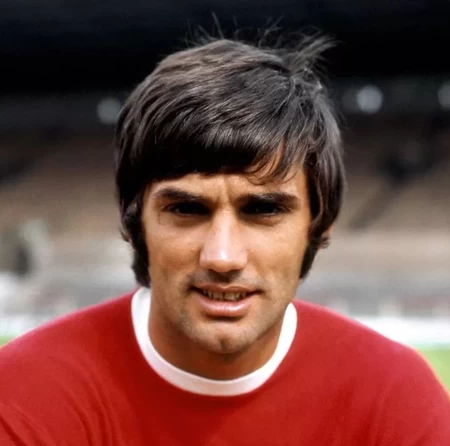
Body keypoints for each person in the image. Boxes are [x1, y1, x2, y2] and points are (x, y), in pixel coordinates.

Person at [1, 35, 449, 446]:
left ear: (320, 222)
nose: (222, 256)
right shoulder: (26, 394)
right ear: (134, 222)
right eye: (186, 209)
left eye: (264, 210)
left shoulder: (394, 399)